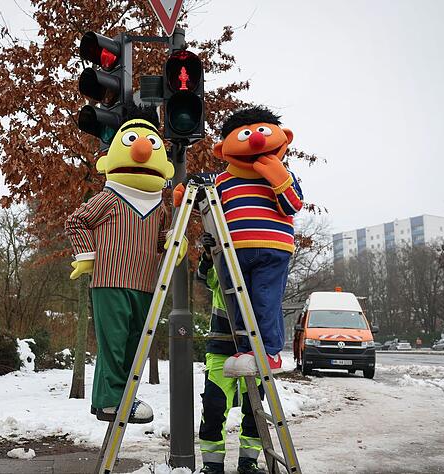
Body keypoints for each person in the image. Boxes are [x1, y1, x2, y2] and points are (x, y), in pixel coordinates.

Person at [65, 106, 186, 423]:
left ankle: (116, 398)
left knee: (136, 344)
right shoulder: (110, 197)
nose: (143, 149)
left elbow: (163, 237)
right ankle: (110, 401)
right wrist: (87, 255)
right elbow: (77, 222)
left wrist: (176, 241)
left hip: (146, 284)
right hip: (111, 281)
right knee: (114, 343)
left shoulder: (159, 206)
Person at [177, 106, 303, 377]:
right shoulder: (223, 181)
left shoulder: (285, 176)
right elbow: (210, 206)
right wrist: (186, 195)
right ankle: (247, 349)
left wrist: (277, 176)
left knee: (265, 300)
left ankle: (269, 352)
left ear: (285, 137)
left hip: (273, 249)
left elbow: (292, 205)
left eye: (262, 132)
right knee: (236, 302)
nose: (256, 140)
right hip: (233, 252)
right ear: (223, 150)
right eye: (246, 134)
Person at [196, 232, 266, 474]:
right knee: (214, 408)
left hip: (253, 349)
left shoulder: (261, 274)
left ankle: (248, 462)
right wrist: (208, 255)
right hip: (221, 347)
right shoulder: (224, 268)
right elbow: (204, 277)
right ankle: (212, 465)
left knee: (254, 411)